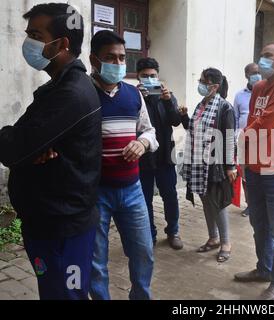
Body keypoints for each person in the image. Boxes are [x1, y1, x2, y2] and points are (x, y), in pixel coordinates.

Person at [0, 3, 102, 300]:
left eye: (36, 34)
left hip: (63, 228)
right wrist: (30, 149)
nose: (28, 42)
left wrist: (24, 148)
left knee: (66, 295)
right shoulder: (59, 87)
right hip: (49, 221)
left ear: (62, 43)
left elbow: (13, 148)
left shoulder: (70, 94)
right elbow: (23, 143)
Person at [88, 31, 159, 300]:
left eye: (121, 58)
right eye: (110, 58)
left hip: (132, 190)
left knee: (143, 251)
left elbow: (150, 131)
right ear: (94, 59)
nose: (118, 64)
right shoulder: (82, 95)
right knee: (96, 260)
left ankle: (141, 295)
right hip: (96, 193)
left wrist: (142, 143)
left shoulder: (133, 95)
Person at [234, 43, 274, 300]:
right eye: (261, 55)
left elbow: (267, 124)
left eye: (268, 56)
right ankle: (264, 268)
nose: (262, 60)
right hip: (255, 165)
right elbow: (253, 120)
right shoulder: (259, 87)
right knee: (258, 222)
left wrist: (240, 138)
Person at [181, 68, 236, 264]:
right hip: (198, 163)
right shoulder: (201, 105)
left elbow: (229, 139)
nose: (201, 84)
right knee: (205, 201)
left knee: (218, 203)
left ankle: (226, 243)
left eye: (204, 81)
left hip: (216, 164)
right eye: (200, 80)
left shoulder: (224, 108)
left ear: (214, 86)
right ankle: (213, 238)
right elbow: (193, 129)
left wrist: (230, 166)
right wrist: (183, 118)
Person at [135, 58, 184, 250]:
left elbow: (175, 121)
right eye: (145, 76)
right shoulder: (133, 96)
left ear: (158, 76)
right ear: (138, 77)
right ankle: (150, 234)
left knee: (170, 195)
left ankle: (173, 231)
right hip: (144, 156)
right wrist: (139, 97)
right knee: (145, 198)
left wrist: (168, 101)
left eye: (152, 76)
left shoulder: (167, 97)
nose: (149, 79)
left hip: (165, 156)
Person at [233, 63, 261, 217]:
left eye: (258, 72)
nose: (256, 75)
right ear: (246, 76)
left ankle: (260, 204)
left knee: (261, 173)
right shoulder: (239, 96)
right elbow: (236, 119)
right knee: (245, 175)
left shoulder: (267, 93)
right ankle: (250, 205)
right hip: (243, 141)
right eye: (253, 73)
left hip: (262, 140)